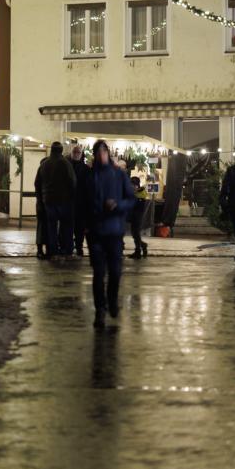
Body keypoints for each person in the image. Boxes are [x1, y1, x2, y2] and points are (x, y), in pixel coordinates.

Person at [88, 139, 137, 328]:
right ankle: (100, 309)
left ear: (108, 153)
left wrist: (118, 206)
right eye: (98, 152)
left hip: (114, 231)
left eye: (104, 151)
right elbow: (82, 202)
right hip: (95, 231)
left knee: (115, 272)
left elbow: (131, 199)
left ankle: (112, 300)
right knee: (99, 272)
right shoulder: (90, 176)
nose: (101, 155)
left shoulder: (118, 175)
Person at [34, 141, 76, 258]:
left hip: (48, 201)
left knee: (50, 227)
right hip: (64, 202)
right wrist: (71, 198)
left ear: (51, 150)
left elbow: (37, 183)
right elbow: (72, 182)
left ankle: (52, 250)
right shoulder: (66, 164)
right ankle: (66, 249)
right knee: (66, 227)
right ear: (61, 151)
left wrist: (41, 198)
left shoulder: (44, 164)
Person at [70, 144, 91, 256]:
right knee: (70, 226)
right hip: (70, 202)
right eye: (75, 152)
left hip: (81, 203)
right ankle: (71, 247)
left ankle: (78, 247)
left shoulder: (86, 169)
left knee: (79, 228)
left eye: (78, 152)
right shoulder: (67, 166)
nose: (76, 154)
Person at [128, 175, 149, 259]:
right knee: (135, 234)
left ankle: (139, 249)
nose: (131, 186)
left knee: (135, 234)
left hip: (137, 217)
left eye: (133, 185)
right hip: (133, 216)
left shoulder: (140, 194)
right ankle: (140, 248)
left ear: (137, 185)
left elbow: (137, 207)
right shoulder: (136, 193)